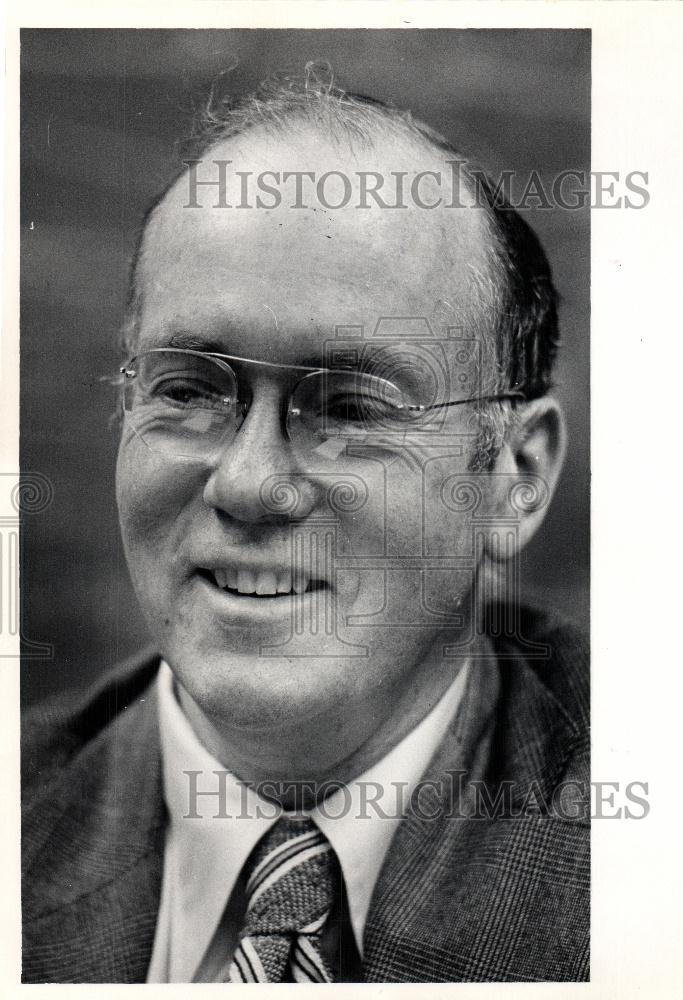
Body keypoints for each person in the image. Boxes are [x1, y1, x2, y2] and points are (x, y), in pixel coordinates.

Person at [21, 74, 589, 983]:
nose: (248, 485)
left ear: (513, 477)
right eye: (189, 390)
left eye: (352, 406)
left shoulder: (680, 852)